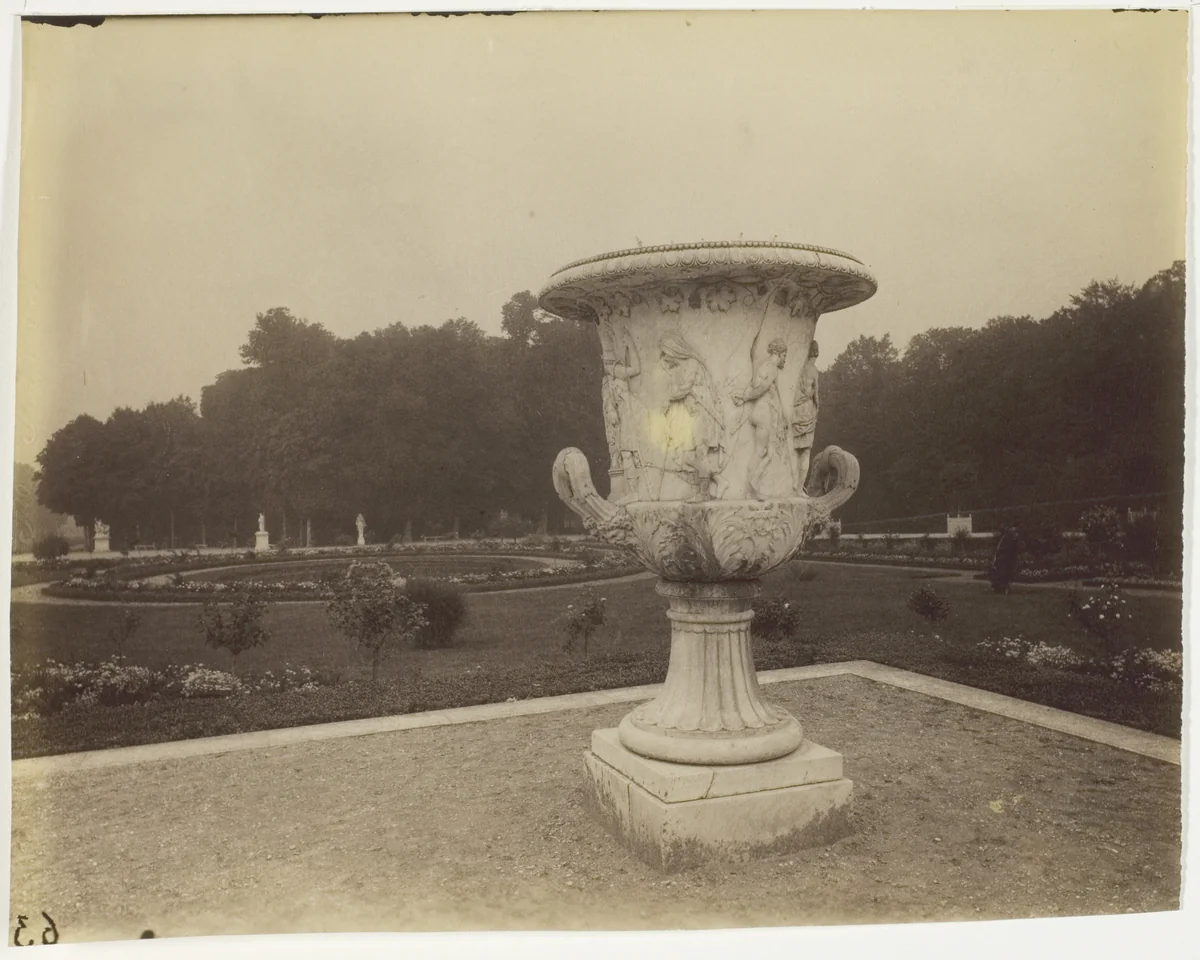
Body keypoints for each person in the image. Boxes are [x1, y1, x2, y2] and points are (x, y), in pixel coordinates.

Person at [658, 332, 728, 501]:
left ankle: (703, 494)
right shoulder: (685, 365)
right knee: (688, 457)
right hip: (695, 416)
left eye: (666, 353)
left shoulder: (692, 364)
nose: (665, 358)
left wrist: (668, 400)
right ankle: (719, 480)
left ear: (674, 350)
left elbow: (685, 387)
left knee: (700, 455)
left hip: (703, 415)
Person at [733, 339, 789, 500]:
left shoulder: (766, 367)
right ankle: (751, 489)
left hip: (764, 412)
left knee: (766, 452)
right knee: (762, 452)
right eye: (784, 355)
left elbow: (771, 391)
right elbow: (761, 389)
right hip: (764, 413)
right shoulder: (770, 368)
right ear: (777, 353)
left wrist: (783, 417)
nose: (785, 359)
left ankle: (753, 486)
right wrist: (744, 397)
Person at [791, 341, 820, 493]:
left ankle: (792, 484)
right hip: (808, 411)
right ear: (816, 354)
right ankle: (799, 488)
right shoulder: (813, 371)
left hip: (796, 412)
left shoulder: (797, 368)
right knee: (805, 451)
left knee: (794, 450)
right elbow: (816, 396)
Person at [990, 526, 1020, 594]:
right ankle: (1002, 588)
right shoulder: (1006, 539)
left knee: (1006, 573)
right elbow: (1001, 549)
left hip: (1008, 559)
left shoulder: (1009, 539)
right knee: (1003, 573)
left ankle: (1003, 587)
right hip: (1004, 559)